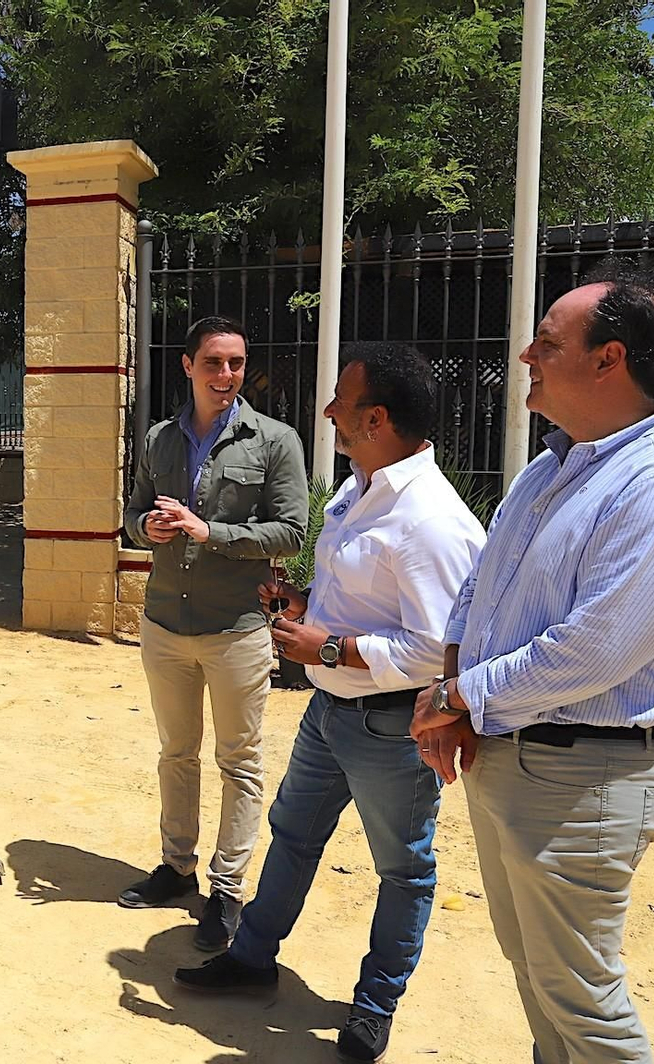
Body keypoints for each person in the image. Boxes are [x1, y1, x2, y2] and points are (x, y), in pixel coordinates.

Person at [412, 264, 654, 1064]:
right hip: (516, 758)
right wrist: (459, 697)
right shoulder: (551, 466)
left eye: (547, 341)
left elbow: (596, 648)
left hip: (585, 779)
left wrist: (459, 694)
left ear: (609, 359)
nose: (528, 355)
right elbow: (481, 587)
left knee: (584, 1003)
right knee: (539, 980)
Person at [175, 342, 486, 1063]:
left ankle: (374, 1007)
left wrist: (327, 648)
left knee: (403, 869)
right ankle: (252, 960)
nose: (328, 412)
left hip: (392, 726)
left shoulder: (431, 521)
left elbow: (440, 651)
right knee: (292, 834)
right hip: (331, 713)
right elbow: (366, 606)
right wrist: (307, 606)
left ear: (376, 418)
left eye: (341, 402)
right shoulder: (360, 486)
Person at [119, 315, 308, 950]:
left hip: (236, 628)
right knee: (177, 753)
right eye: (214, 363)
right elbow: (133, 514)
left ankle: (227, 891)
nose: (226, 375)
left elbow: (290, 530)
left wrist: (209, 532)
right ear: (188, 366)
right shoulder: (160, 439)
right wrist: (150, 527)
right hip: (166, 621)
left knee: (240, 761)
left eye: (235, 363)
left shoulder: (275, 439)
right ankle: (177, 869)